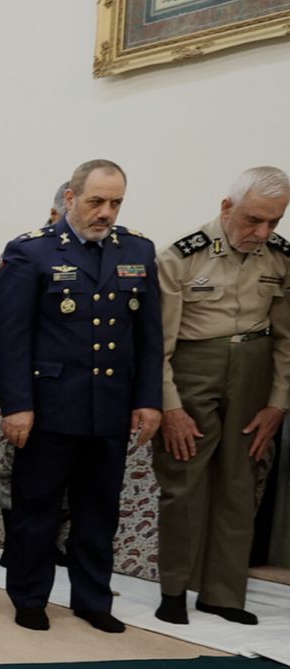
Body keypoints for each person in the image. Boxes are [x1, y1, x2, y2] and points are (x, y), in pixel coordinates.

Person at [0, 159, 163, 633]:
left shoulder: (138, 249)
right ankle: (30, 596)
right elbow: (11, 338)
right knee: (37, 509)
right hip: (50, 406)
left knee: (99, 510)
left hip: (110, 406)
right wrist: (18, 405)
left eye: (115, 203)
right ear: (70, 199)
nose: (105, 212)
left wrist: (148, 399)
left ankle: (92, 599)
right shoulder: (32, 251)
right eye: (96, 201)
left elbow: (149, 336)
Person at [152, 166, 290, 626]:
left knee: (240, 481)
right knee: (183, 482)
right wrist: (170, 407)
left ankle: (224, 595)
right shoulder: (180, 257)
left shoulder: (281, 257)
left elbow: (287, 338)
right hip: (193, 369)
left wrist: (278, 403)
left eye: (274, 221)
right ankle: (174, 589)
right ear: (227, 207)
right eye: (254, 219)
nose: (263, 232)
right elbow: (157, 345)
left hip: (254, 370)